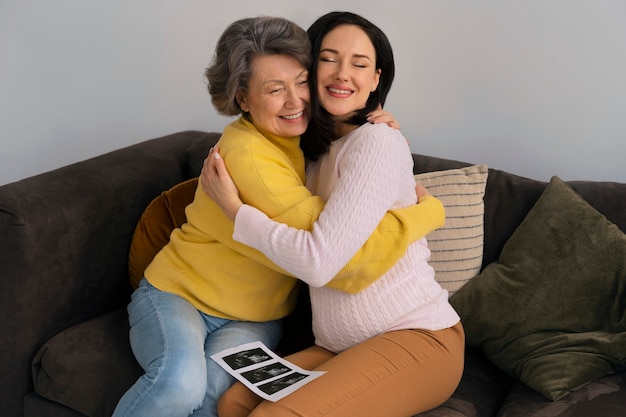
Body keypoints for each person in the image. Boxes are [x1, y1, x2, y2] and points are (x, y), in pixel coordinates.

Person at [113, 16, 434, 417]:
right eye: (274, 89)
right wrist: (427, 213)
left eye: (301, 82)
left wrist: (375, 129)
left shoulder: (307, 141)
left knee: (216, 396)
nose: (295, 100)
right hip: (179, 296)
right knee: (181, 383)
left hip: (255, 317)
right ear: (243, 99)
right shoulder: (250, 156)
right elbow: (339, 255)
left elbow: (355, 162)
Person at [202, 11, 465, 417]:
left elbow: (319, 262)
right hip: (340, 347)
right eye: (329, 58)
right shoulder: (311, 156)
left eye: (359, 64)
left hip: (418, 337)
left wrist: (236, 213)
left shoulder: (377, 143)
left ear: (376, 80)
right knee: (235, 401)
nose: (343, 73)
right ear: (309, 67)